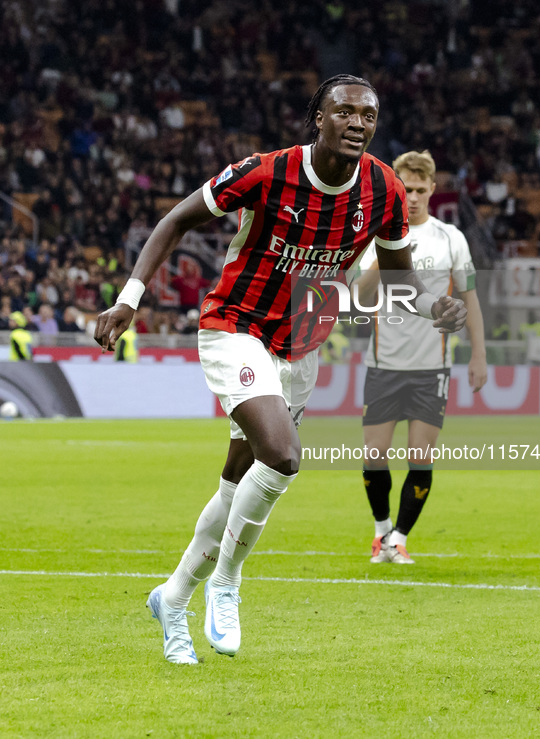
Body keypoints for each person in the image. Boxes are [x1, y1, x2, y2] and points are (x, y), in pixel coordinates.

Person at [93, 75, 467, 664]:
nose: (357, 123)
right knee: (283, 454)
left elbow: (398, 279)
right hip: (234, 326)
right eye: (343, 112)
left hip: (302, 343)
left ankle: (173, 596)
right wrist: (130, 298)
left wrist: (432, 304)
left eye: (368, 115)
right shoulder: (266, 171)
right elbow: (174, 222)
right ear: (317, 118)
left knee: (235, 485)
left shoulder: (383, 188)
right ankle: (227, 583)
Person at [353, 150, 487, 564]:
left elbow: (470, 298)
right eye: (404, 189)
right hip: (384, 365)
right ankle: (380, 532)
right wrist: (385, 251)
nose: (411, 197)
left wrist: (478, 354)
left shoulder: (451, 238)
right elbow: (360, 298)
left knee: (419, 456)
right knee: (374, 456)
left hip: (432, 368)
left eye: (419, 189)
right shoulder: (376, 236)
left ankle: (399, 539)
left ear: (431, 189)